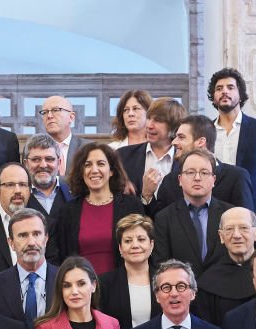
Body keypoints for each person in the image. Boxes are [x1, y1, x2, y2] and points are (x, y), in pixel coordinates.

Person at [57, 143, 143, 274]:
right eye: (88, 165)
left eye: (101, 164)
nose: (94, 170)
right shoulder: (68, 211)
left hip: (122, 286)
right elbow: (63, 257)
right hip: (83, 289)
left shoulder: (132, 206)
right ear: (82, 172)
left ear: (111, 171)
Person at [150, 114, 254, 217]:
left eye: (181, 137)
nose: (174, 142)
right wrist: (146, 196)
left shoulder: (236, 177)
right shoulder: (170, 181)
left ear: (201, 142)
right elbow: (160, 222)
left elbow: (246, 222)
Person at [152, 148, 233, 275]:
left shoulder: (230, 214)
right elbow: (161, 265)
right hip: (182, 290)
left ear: (213, 180)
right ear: (179, 179)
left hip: (224, 289)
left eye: (204, 173)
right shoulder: (164, 218)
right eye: (190, 172)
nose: (197, 178)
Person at [209, 67, 256, 210]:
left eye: (230, 87)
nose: (224, 91)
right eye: (219, 88)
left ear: (240, 95)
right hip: (215, 208)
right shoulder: (206, 131)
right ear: (213, 97)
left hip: (254, 208)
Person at [194, 206, 256, 326]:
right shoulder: (208, 282)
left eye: (244, 228)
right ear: (221, 236)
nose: (236, 235)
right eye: (229, 229)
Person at [118, 97, 187, 202]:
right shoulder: (123, 156)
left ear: (174, 126)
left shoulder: (186, 161)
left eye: (158, 120)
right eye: (149, 118)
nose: (149, 125)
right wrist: (145, 195)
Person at [24, 133, 72, 229]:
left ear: (59, 163)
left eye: (49, 159)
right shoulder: (18, 197)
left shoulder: (74, 194)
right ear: (26, 164)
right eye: (36, 159)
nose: (43, 165)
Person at [40, 95, 86, 176]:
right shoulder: (35, 150)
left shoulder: (87, 148)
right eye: (45, 112)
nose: (49, 116)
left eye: (56, 110)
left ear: (71, 117)